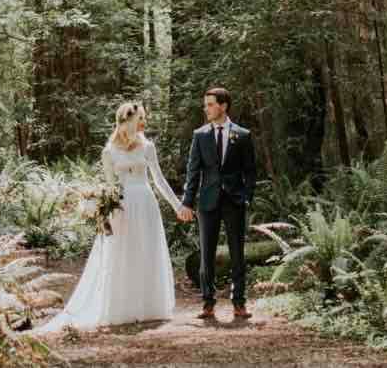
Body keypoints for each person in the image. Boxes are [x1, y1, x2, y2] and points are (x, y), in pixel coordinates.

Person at [40, 100, 184, 331]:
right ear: (125, 121)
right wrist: (103, 209)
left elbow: (159, 180)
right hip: (122, 207)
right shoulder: (109, 151)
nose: (143, 123)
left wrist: (178, 206)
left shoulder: (148, 147)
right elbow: (109, 187)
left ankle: (149, 307)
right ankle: (123, 307)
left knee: (147, 250)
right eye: (139, 119)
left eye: (143, 119)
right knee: (123, 253)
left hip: (146, 203)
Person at [178, 85, 257, 321]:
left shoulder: (242, 135)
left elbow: (250, 171)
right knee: (207, 255)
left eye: (210, 104)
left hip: (234, 201)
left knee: (237, 254)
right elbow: (193, 172)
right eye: (205, 105)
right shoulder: (200, 135)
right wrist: (187, 202)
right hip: (208, 202)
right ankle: (208, 302)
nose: (206, 109)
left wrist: (246, 197)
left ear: (223, 106)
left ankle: (239, 303)